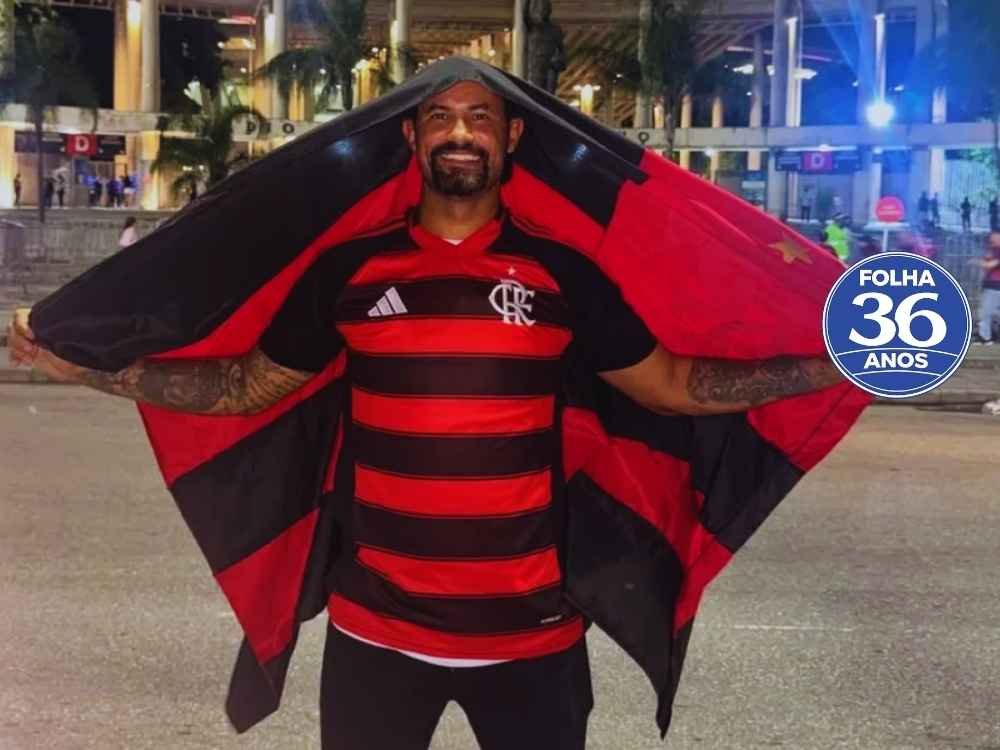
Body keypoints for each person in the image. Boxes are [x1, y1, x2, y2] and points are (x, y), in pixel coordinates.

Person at [7, 78, 848, 750]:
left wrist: (830, 366)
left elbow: (673, 385)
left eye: (480, 117)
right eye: (440, 117)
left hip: (533, 635)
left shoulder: (563, 274)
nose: (460, 132)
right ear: (412, 138)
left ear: (512, 138)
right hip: (377, 633)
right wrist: (95, 371)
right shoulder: (351, 270)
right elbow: (243, 387)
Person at [973, 231, 1000, 345]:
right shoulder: (992, 250)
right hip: (990, 285)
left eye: (995, 237)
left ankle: (985, 338)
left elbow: (990, 265)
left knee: (985, 313)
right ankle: (985, 337)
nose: (992, 239)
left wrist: (975, 261)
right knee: (989, 312)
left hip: (995, 286)